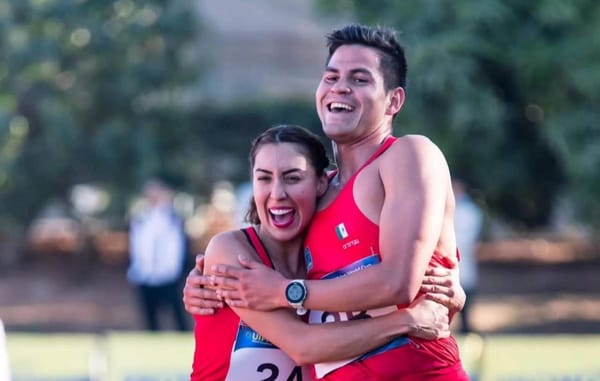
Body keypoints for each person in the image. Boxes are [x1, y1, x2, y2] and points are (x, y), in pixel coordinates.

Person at [187, 24, 469, 380]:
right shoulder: (316, 193)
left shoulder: (407, 155)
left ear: (394, 100)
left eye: (360, 78)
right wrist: (202, 283)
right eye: (331, 76)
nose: (340, 87)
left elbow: (398, 282)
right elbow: (270, 260)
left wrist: (285, 292)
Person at [192, 124, 452, 380]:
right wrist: (405, 321)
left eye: (293, 178)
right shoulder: (233, 251)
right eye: (264, 178)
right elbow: (302, 347)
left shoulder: (322, 268)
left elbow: (391, 279)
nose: (277, 193)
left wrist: (452, 287)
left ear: (321, 183)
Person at [127, 176, 189, 331]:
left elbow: (176, 246)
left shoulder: (171, 217)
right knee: (150, 317)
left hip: (168, 273)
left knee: (177, 313)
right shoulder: (141, 217)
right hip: (145, 273)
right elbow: (138, 245)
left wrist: (174, 270)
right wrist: (137, 268)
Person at [452, 177, 483, 334]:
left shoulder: (469, 210)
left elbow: (469, 236)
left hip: (463, 255)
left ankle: (465, 326)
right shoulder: (451, 207)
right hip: (453, 256)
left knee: (466, 291)